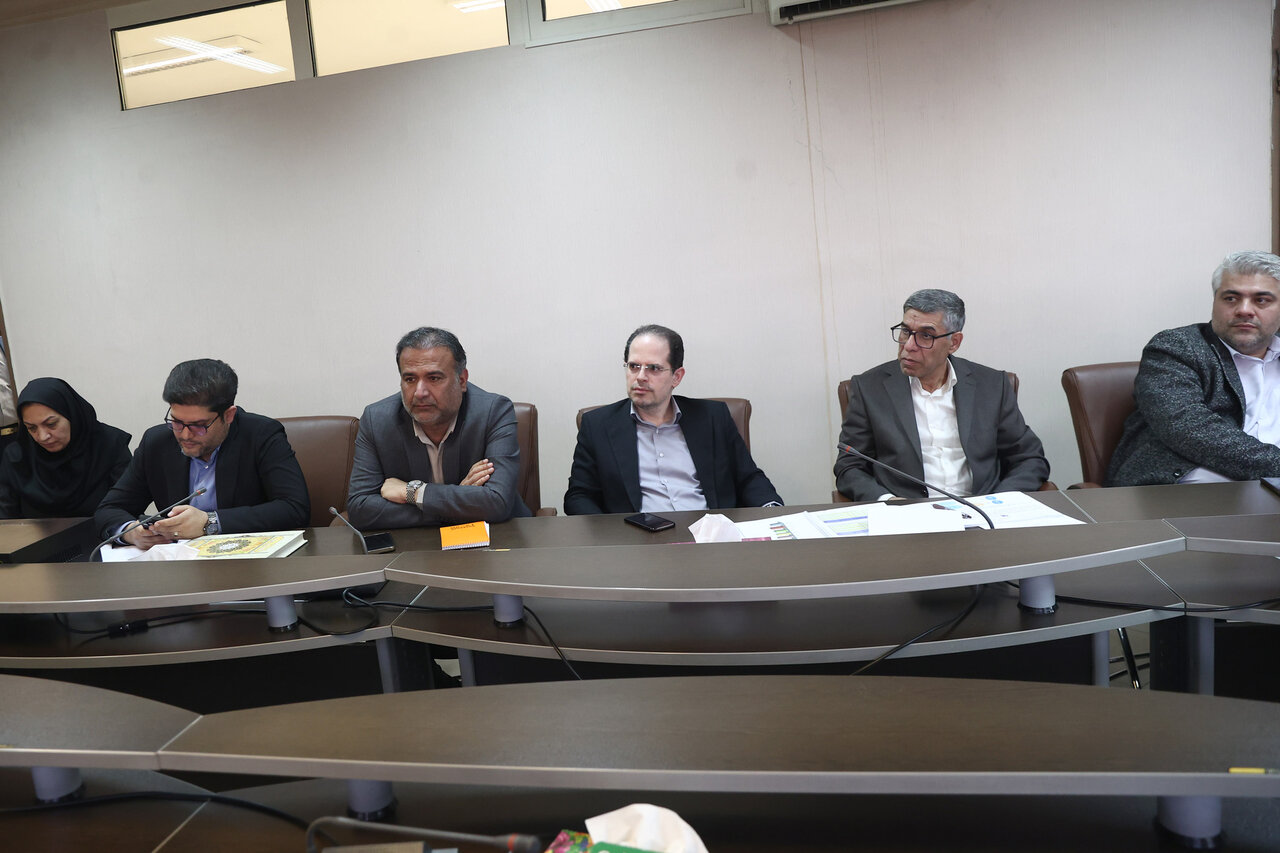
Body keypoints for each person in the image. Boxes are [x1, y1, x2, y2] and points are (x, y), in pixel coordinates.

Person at [834, 289, 1049, 501]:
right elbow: (849, 466)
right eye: (906, 332)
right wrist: (887, 500)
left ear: (954, 342)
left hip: (982, 509)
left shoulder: (992, 386)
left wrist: (999, 502)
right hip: (907, 513)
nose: (909, 346)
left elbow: (1029, 458)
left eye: (926, 336)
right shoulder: (870, 388)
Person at [564, 324, 783, 514]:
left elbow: (749, 478)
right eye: (634, 366)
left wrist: (771, 511)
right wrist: (614, 536)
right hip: (639, 539)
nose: (640, 377)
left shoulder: (713, 418)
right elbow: (579, 496)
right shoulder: (597, 426)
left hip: (711, 535)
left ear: (676, 377)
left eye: (653, 368)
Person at [94, 359, 309, 547]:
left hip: (250, 563)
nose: (185, 435)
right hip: (180, 564)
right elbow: (110, 508)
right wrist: (131, 532)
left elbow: (294, 508)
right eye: (177, 422)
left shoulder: (261, 435)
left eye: (198, 425)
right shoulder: (157, 442)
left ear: (229, 415)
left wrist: (210, 522)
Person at [1109, 250, 1280, 486]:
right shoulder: (1176, 347)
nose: (1244, 310)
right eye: (1231, 298)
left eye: (1261, 300)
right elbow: (1188, 429)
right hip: (1184, 487)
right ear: (1215, 302)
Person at [346, 327, 530, 529]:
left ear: (462, 380)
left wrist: (413, 492)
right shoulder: (377, 420)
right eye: (410, 379)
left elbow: (497, 502)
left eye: (434, 378)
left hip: (499, 538)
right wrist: (458, 503)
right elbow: (360, 509)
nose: (420, 392)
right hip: (415, 544)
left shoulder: (493, 412)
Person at [0, 378, 132, 518]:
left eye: (51, 424)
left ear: (71, 415)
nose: (42, 436)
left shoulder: (109, 445)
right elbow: (5, 519)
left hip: (105, 531)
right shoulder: (17, 456)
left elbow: (128, 506)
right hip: (32, 534)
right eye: (32, 428)